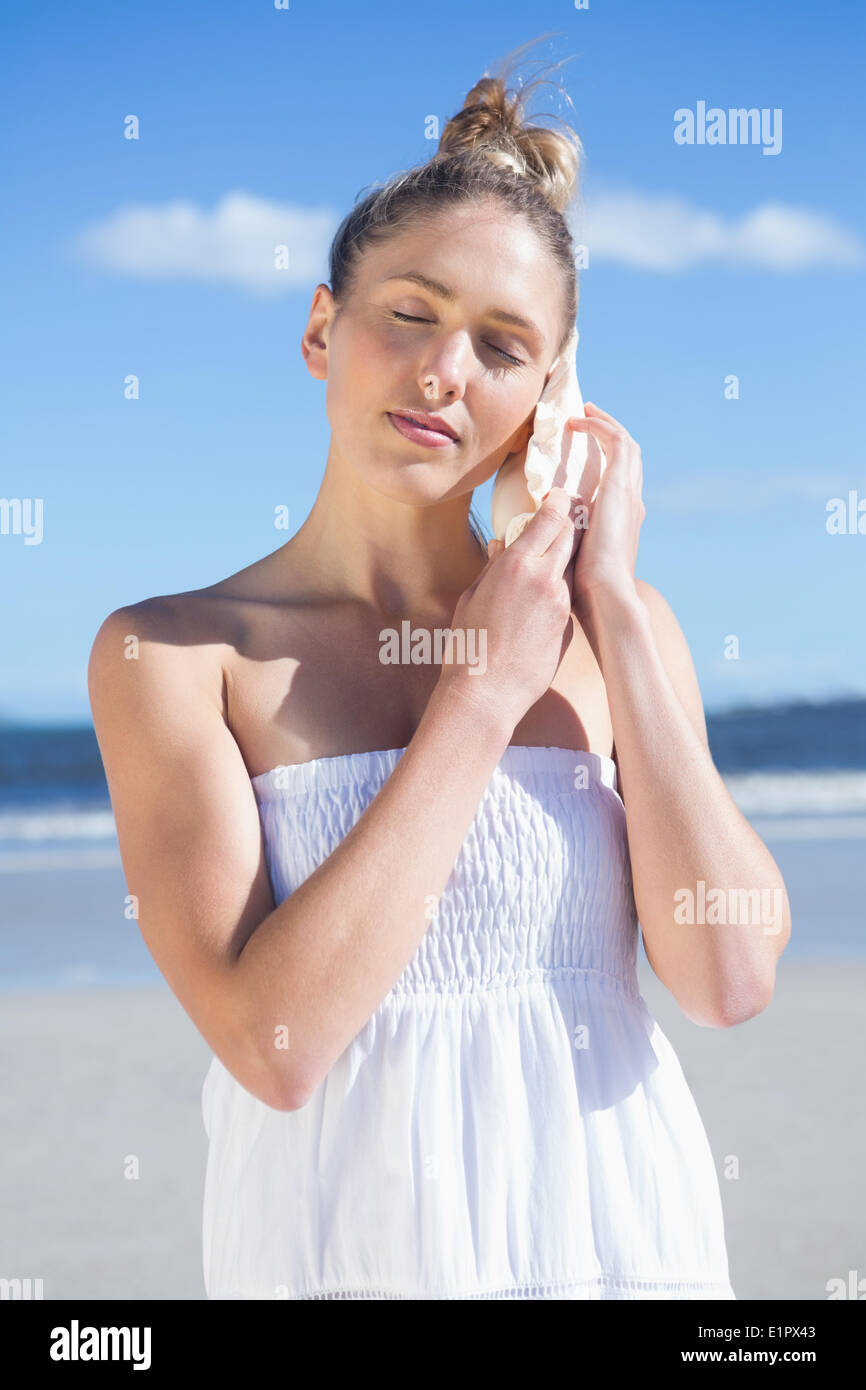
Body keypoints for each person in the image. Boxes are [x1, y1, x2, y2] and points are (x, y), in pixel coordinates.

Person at [87, 42, 790, 1300]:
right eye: (409, 312)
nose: (442, 372)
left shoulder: (615, 636)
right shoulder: (177, 655)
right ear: (320, 326)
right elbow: (274, 1048)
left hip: (617, 1249)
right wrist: (476, 696)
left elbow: (728, 978)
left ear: (555, 398)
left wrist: (609, 604)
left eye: (504, 347)